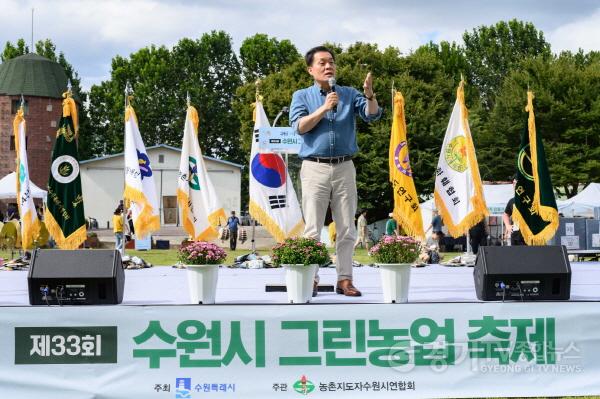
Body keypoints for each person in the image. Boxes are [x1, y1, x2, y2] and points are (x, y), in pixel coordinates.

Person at [290, 45, 382, 297]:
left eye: (331, 61)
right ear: (310, 69)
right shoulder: (302, 96)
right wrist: (324, 107)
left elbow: (372, 115)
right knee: (312, 228)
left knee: (347, 228)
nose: (328, 66)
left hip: (344, 166)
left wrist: (370, 95)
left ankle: (345, 279)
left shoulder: (350, 94)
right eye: (322, 63)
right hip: (314, 167)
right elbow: (299, 126)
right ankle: (311, 278)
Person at [503, 178, 526, 246]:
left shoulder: (531, 200)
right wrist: (507, 225)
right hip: (515, 234)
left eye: (517, 183)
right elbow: (505, 214)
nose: (515, 185)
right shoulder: (512, 201)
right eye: (514, 183)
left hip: (529, 235)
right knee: (515, 255)